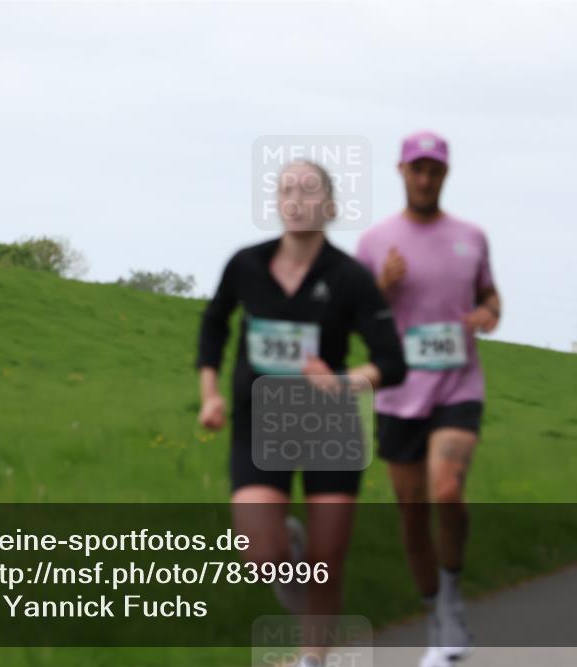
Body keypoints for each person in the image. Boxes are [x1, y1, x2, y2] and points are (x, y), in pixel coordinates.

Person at [196, 160, 407, 666]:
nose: (295, 198)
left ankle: (312, 658)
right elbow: (214, 325)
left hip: (327, 420)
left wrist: (346, 381)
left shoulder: (350, 277)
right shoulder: (245, 265)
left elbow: (391, 360)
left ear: (330, 207)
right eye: (286, 189)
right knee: (260, 554)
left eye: (308, 191)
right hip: (258, 420)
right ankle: (284, 547)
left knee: (327, 562)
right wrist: (210, 392)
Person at [356, 130, 500, 667]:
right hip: (399, 394)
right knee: (413, 514)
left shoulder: (472, 237)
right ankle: (437, 614)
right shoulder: (374, 243)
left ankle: (453, 590)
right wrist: (384, 288)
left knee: (446, 490)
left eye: (434, 169)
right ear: (400, 171)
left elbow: (490, 295)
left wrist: (488, 313)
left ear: (446, 173)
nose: (424, 178)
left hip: (459, 386)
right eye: (416, 169)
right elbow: (357, 318)